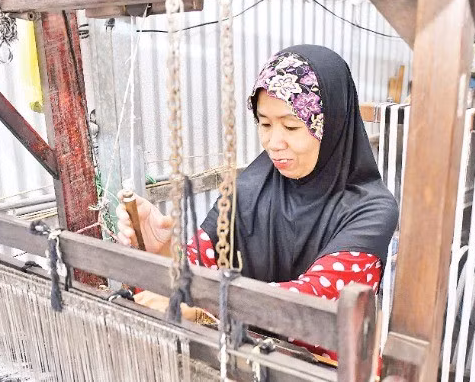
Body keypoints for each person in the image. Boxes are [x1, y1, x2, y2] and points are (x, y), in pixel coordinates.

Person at [116, 44, 399, 355]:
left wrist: (201, 312)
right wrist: (162, 249)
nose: (274, 143)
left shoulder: (370, 210)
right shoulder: (250, 188)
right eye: (264, 124)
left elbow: (308, 304)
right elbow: (200, 261)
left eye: (291, 125)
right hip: (242, 362)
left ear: (330, 124)